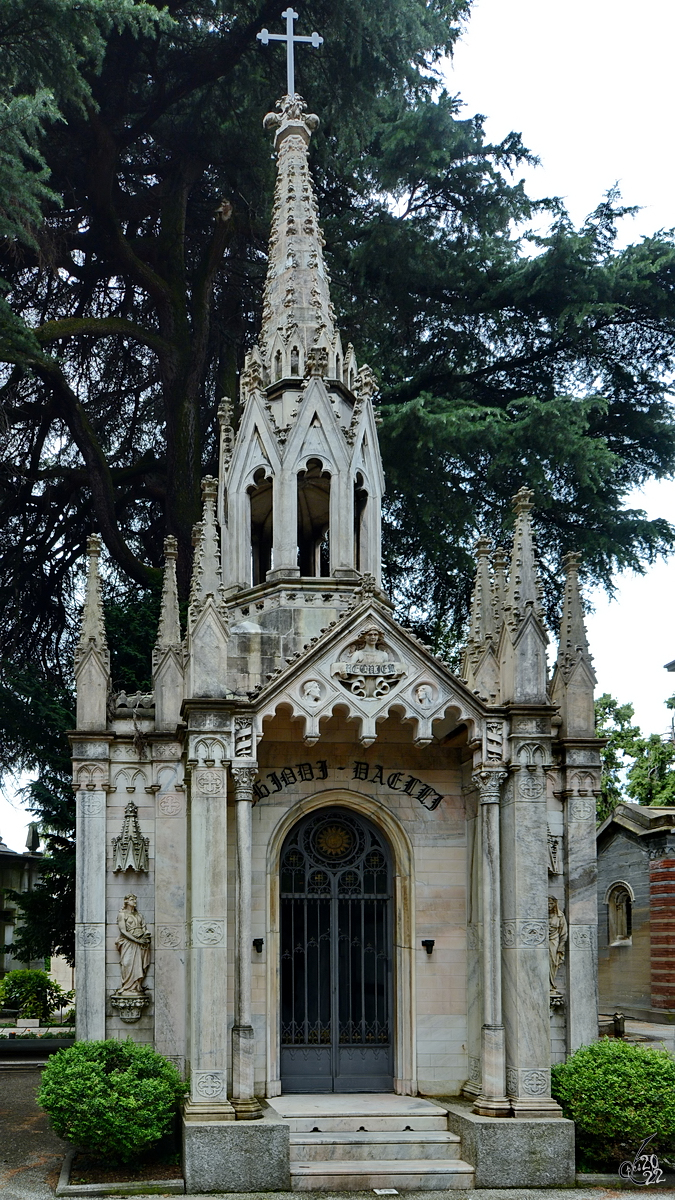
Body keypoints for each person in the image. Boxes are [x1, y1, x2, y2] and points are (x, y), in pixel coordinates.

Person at [115, 893, 151, 995]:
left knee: (139, 964)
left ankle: (136, 986)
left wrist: (145, 937)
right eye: (132, 899)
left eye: (135, 900)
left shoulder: (139, 915)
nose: (134, 901)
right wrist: (136, 940)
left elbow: (144, 928)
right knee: (126, 963)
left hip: (141, 942)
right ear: (126, 901)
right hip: (128, 942)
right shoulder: (122, 914)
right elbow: (123, 930)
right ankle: (126, 987)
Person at [548, 896, 567, 993]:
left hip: (554, 941)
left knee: (552, 962)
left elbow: (563, 933)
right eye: (547, 903)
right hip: (542, 941)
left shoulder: (560, 916)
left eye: (551, 903)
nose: (549, 905)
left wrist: (561, 946)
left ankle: (551, 984)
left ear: (555, 904)